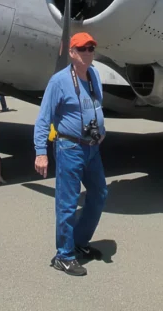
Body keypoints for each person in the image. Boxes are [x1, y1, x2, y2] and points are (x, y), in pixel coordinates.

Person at [33, 32, 107, 277]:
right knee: (67, 203)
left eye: (91, 48)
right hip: (70, 148)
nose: (88, 52)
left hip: (92, 148)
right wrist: (41, 153)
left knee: (99, 194)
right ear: (72, 53)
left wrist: (101, 131)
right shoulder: (59, 81)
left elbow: (96, 106)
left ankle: (78, 241)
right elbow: (43, 119)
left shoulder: (95, 74)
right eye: (82, 49)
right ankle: (63, 255)